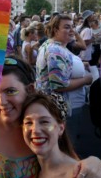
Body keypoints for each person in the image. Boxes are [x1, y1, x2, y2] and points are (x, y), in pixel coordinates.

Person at [20, 92, 101, 178]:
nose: (35, 130)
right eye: (29, 122)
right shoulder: (28, 172)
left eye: (44, 122)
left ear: (61, 128)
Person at [35, 14, 93, 145]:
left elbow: (63, 67)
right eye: (67, 27)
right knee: (67, 146)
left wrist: (81, 64)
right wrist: (86, 80)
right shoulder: (55, 50)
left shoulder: (57, 46)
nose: (72, 30)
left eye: (72, 26)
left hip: (61, 108)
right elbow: (59, 85)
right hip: (64, 109)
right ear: (55, 30)